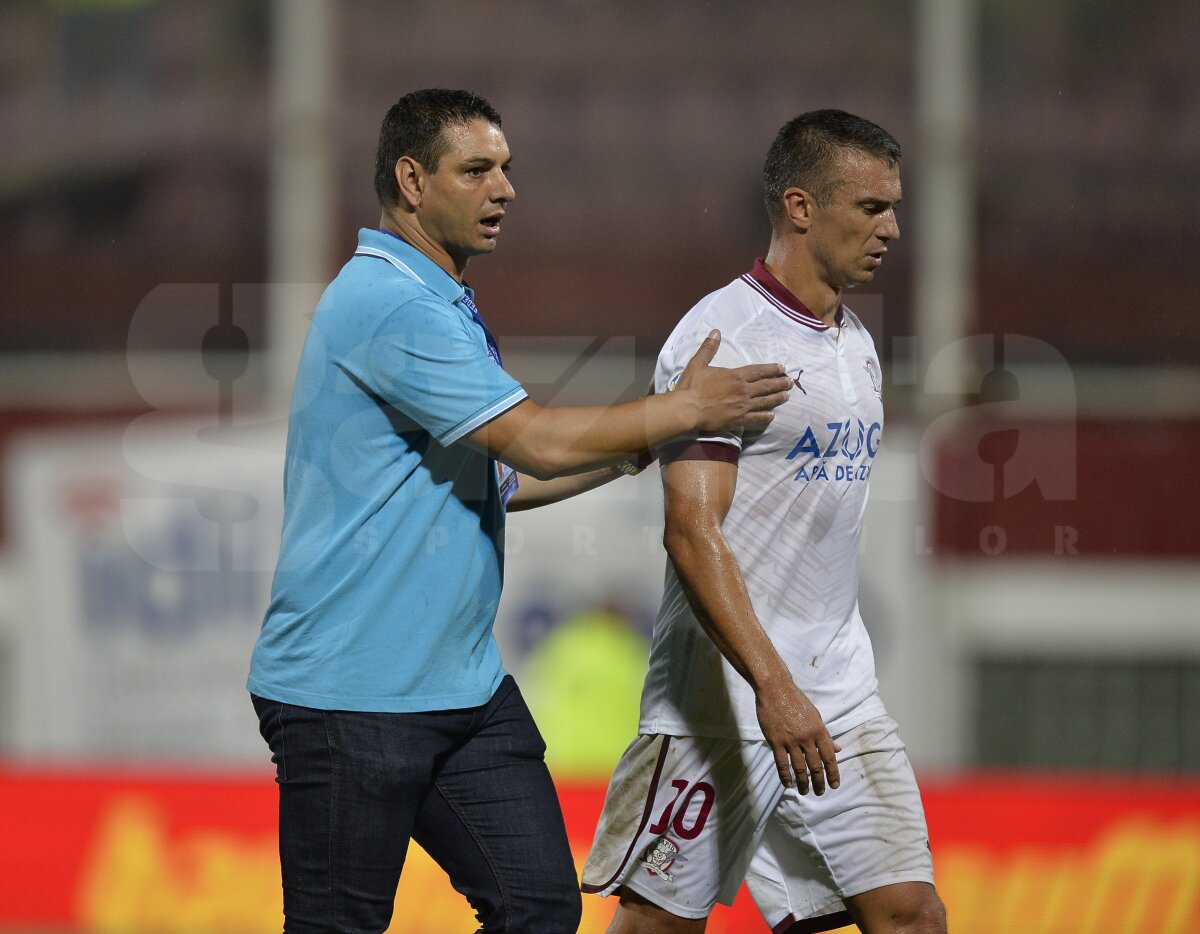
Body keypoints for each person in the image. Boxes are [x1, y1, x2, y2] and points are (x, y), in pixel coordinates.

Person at [245, 88, 792, 934]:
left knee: (537, 906)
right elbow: (532, 441)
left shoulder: (438, 301)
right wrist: (682, 411)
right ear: (411, 180)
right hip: (347, 695)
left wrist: (639, 444)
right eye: (477, 170)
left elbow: (506, 478)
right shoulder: (390, 302)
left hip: (459, 691)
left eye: (506, 169)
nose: (505, 189)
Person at [581, 110, 948, 933]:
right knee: (656, 928)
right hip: (721, 704)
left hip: (839, 697)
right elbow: (689, 531)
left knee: (909, 914)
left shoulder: (855, 342)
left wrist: (806, 687)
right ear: (801, 207)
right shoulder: (724, 339)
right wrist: (772, 687)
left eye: (895, 207)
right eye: (871, 208)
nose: (892, 228)